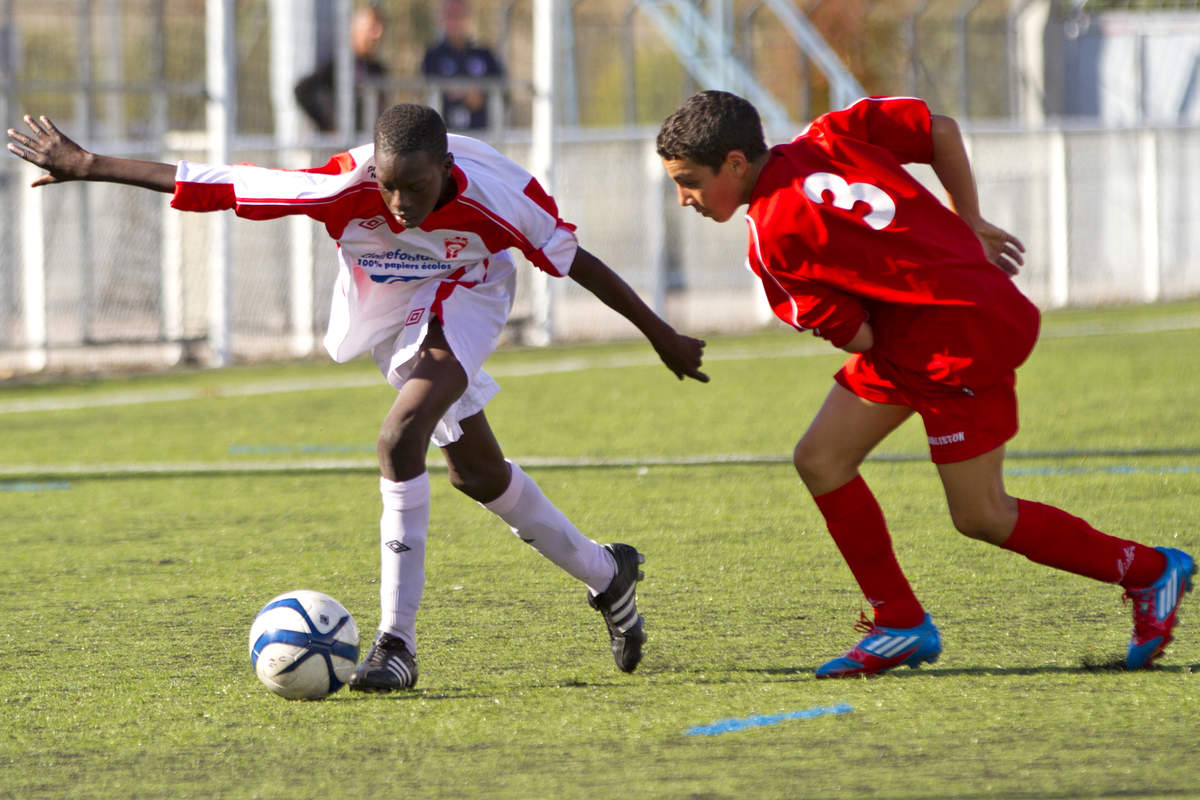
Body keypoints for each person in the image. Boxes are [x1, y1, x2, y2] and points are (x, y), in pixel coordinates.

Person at [8, 104, 707, 690]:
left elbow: (577, 261)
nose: (401, 203)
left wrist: (660, 333)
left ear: (446, 172)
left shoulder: (497, 199)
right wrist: (89, 164)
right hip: (393, 298)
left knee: (399, 436)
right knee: (476, 474)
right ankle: (607, 572)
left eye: (418, 188)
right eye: (390, 186)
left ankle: (395, 645)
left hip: (468, 292)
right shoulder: (344, 186)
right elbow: (219, 182)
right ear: (374, 169)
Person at [655, 90, 1195, 677]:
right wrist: (969, 221)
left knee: (982, 514)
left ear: (735, 163)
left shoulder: (773, 239)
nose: (685, 198)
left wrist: (861, 292)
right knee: (821, 458)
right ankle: (899, 622)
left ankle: (1150, 572)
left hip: (954, 346)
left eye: (689, 182)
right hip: (930, 331)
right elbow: (940, 129)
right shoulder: (829, 134)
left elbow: (859, 337)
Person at [294, 5, 387, 133]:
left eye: (379, 27)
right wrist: (328, 126)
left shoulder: (377, 69)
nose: (378, 34)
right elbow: (302, 90)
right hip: (343, 144)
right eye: (372, 28)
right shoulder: (339, 66)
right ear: (356, 30)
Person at [421, 0, 504, 131]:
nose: (455, 21)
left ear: (468, 17)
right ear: (441, 18)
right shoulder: (432, 56)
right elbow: (425, 90)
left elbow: (502, 89)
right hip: (443, 136)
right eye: (450, 14)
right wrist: (461, 93)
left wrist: (481, 95)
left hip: (482, 136)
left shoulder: (485, 54)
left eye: (459, 14)